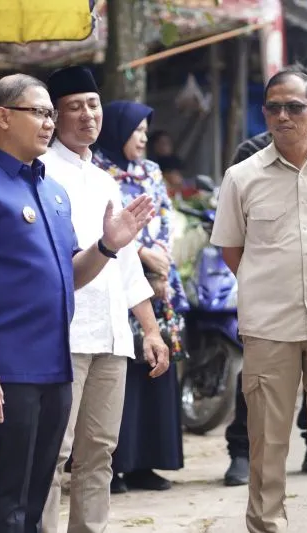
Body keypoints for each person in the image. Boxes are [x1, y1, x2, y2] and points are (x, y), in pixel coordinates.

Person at [0, 74, 154, 533]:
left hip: (56, 365)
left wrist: (106, 246)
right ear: (3, 117)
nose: (48, 123)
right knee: (6, 495)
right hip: (8, 368)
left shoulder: (51, 190)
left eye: (48, 114)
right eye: (38, 113)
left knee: (39, 490)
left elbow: (69, 274)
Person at [211, 67, 307, 533]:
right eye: (273, 107)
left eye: (294, 107)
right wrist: (270, 286)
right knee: (266, 446)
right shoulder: (241, 176)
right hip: (269, 328)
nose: (282, 116)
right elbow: (232, 250)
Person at [38, 66, 170, 533]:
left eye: (92, 105)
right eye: (74, 107)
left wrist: (150, 330)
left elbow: (128, 262)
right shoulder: (41, 175)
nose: (87, 115)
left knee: (99, 454)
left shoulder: (105, 180)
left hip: (112, 337)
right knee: (53, 453)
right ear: (53, 116)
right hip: (65, 336)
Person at [93, 101, 189, 494]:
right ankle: (115, 466)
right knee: (124, 378)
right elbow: (101, 229)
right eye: (138, 131)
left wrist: (162, 260)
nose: (145, 138)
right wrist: (143, 257)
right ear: (119, 131)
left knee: (157, 370)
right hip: (119, 278)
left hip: (158, 285)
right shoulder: (99, 171)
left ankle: (147, 463)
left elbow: (164, 216)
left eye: (147, 131)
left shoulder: (150, 170)